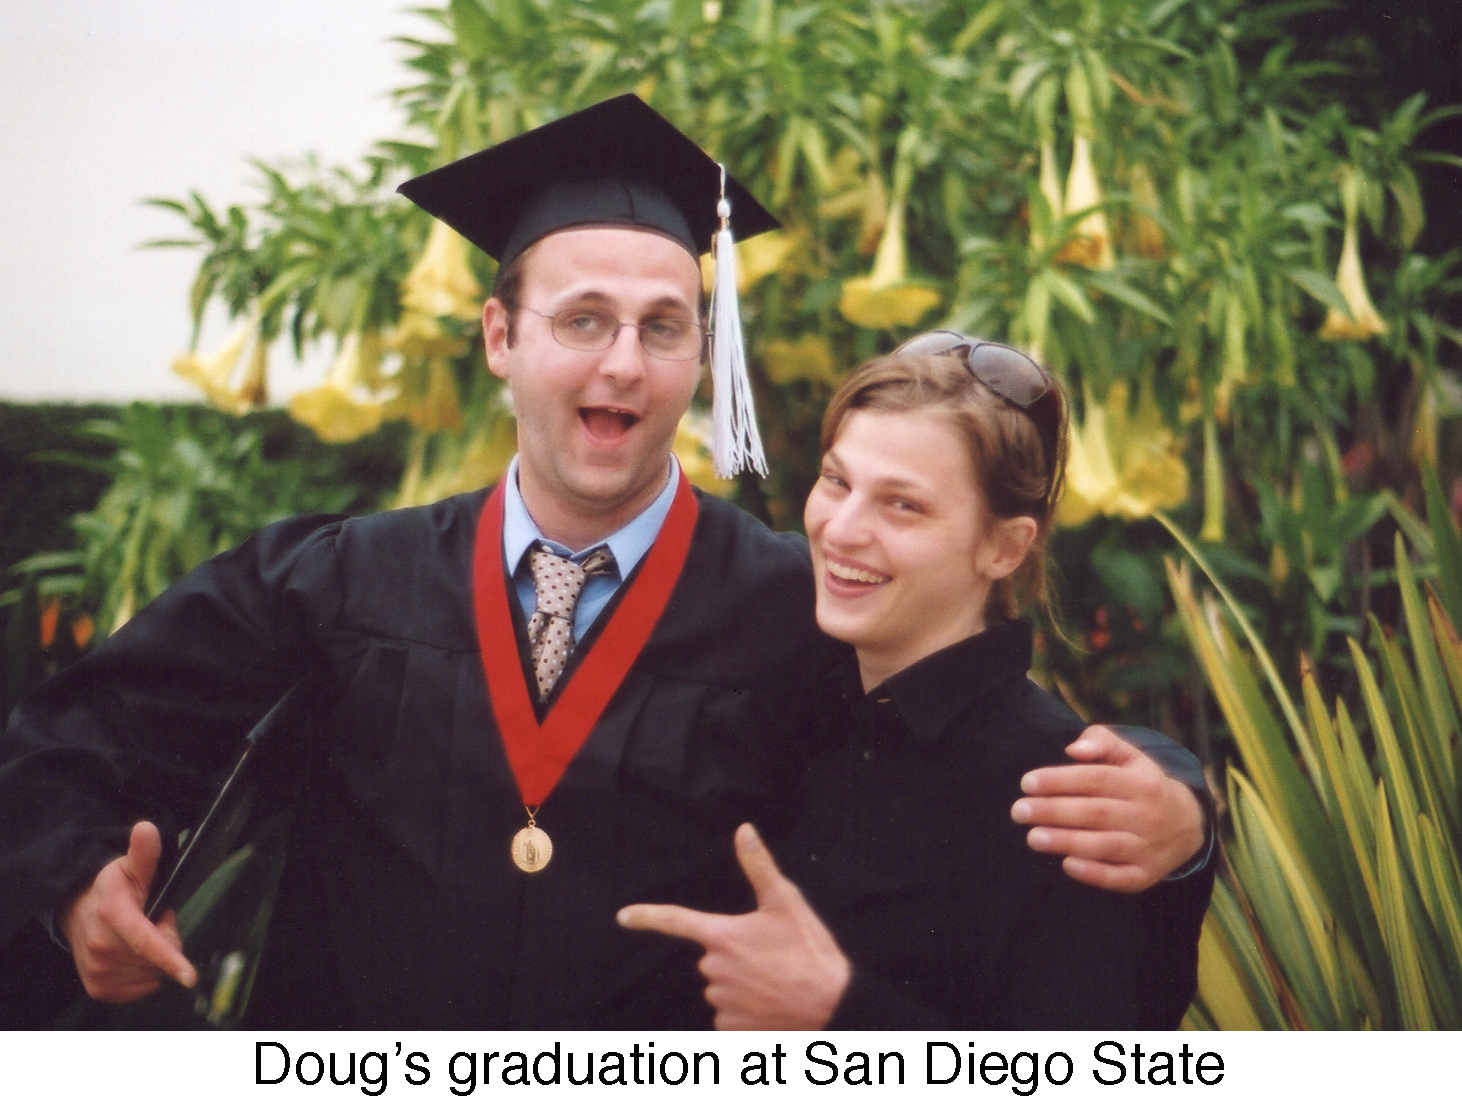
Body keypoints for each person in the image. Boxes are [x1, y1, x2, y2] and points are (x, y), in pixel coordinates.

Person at [0, 97, 1206, 1029]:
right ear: (499, 338)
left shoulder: (810, 605)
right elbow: (72, 736)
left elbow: (978, 726)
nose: (623, 364)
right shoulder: (335, 583)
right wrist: (72, 889)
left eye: (664, 326)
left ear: (699, 354)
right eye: (581, 319)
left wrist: (1174, 801)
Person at [619, 337, 1214, 1029]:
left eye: (903, 506)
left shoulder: (1068, 802)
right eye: (837, 480)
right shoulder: (803, 696)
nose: (841, 530)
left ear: (1005, 547)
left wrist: (838, 1015)